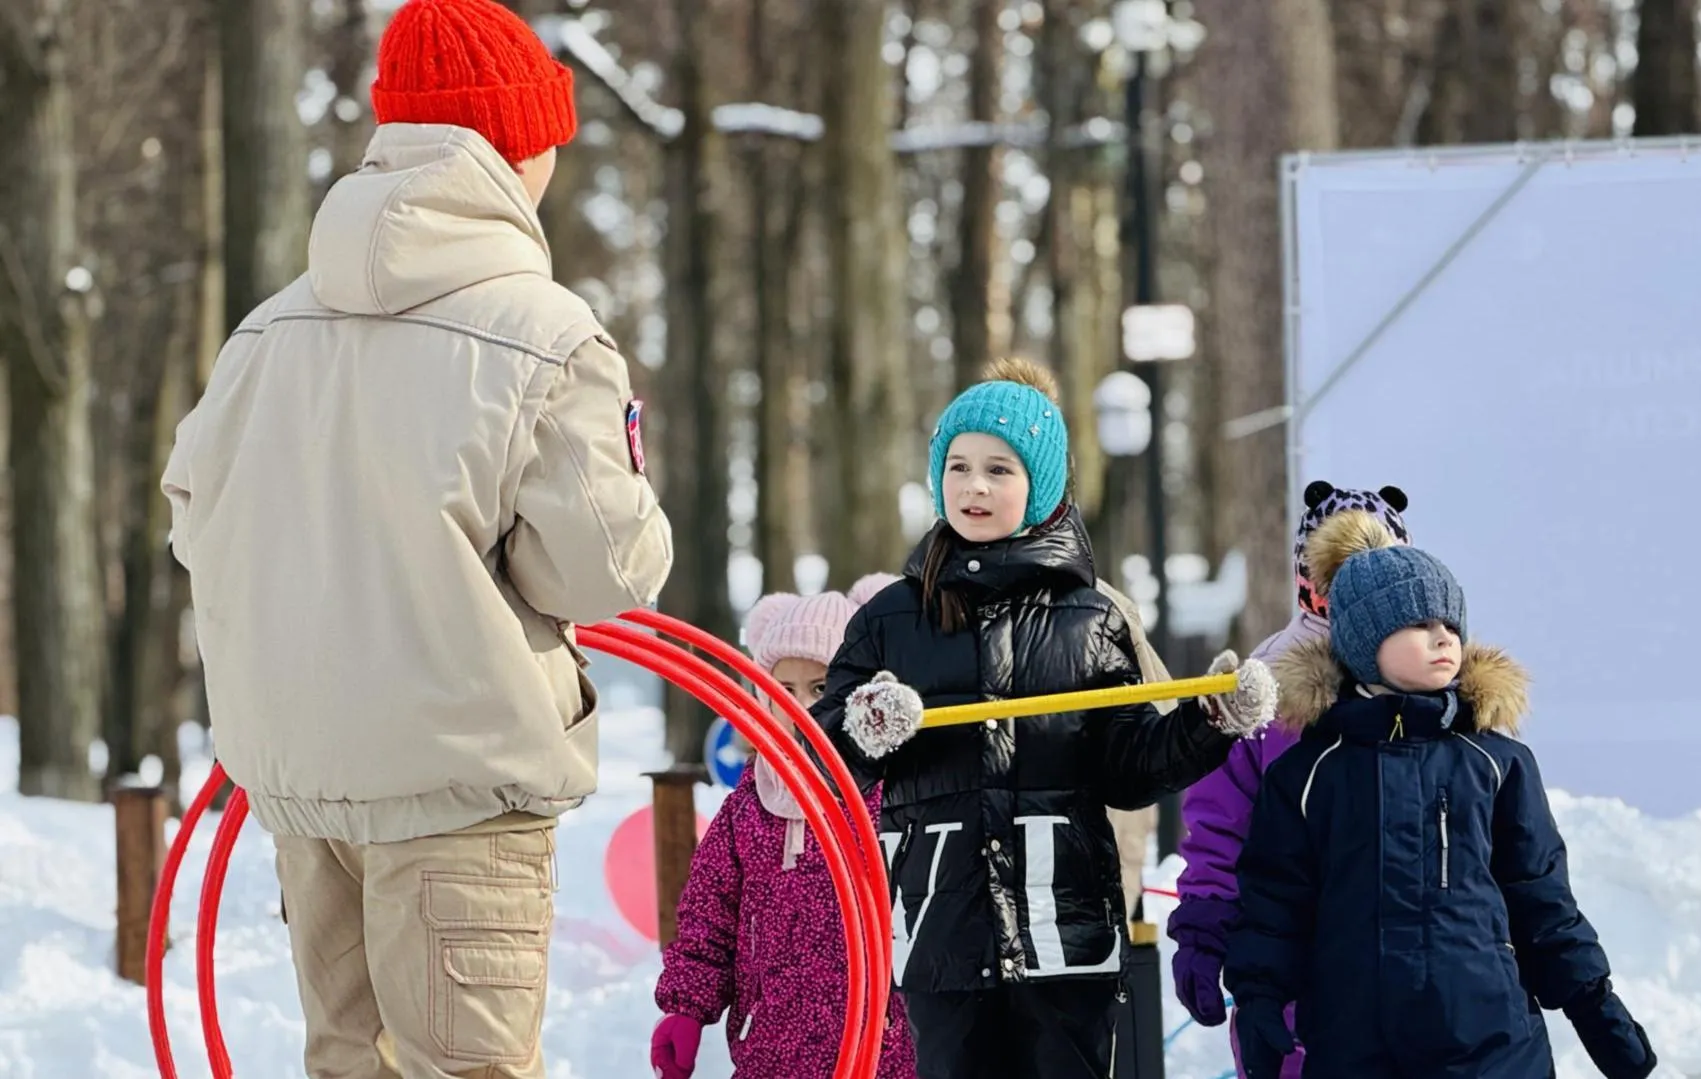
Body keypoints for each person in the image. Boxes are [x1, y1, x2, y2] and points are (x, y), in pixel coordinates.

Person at [159, 1, 673, 1075]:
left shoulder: (268, 330)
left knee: (350, 1060)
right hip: (459, 781)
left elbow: (199, 520)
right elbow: (608, 571)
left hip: (306, 785)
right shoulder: (547, 334)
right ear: (515, 146)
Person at [812, 357, 1278, 1079]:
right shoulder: (889, 620)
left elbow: (1129, 766)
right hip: (944, 936)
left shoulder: (1092, 619)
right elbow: (822, 754)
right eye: (958, 465)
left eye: (999, 469)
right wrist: (863, 728)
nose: (973, 485)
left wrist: (1208, 720)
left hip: (1066, 935)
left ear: (1042, 484)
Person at [1225, 511, 1656, 1079]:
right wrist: (1258, 998)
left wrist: (1594, 1004)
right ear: (1365, 640)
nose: (1443, 638)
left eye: (1451, 625)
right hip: (1358, 1046)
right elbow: (1274, 902)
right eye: (1418, 623)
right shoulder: (1310, 774)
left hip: (1491, 1045)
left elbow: (1541, 897)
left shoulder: (1496, 764)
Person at [1169, 481, 1411, 1078]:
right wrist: (1204, 927)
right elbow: (1219, 826)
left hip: (1416, 966)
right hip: (1301, 961)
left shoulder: (1431, 676)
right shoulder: (1267, 683)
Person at [650, 575, 918, 1079]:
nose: (799, 708)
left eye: (820, 688)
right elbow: (709, 917)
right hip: (769, 1051)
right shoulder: (749, 807)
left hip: (881, 1051)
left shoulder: (892, 799)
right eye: (783, 690)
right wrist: (685, 1008)